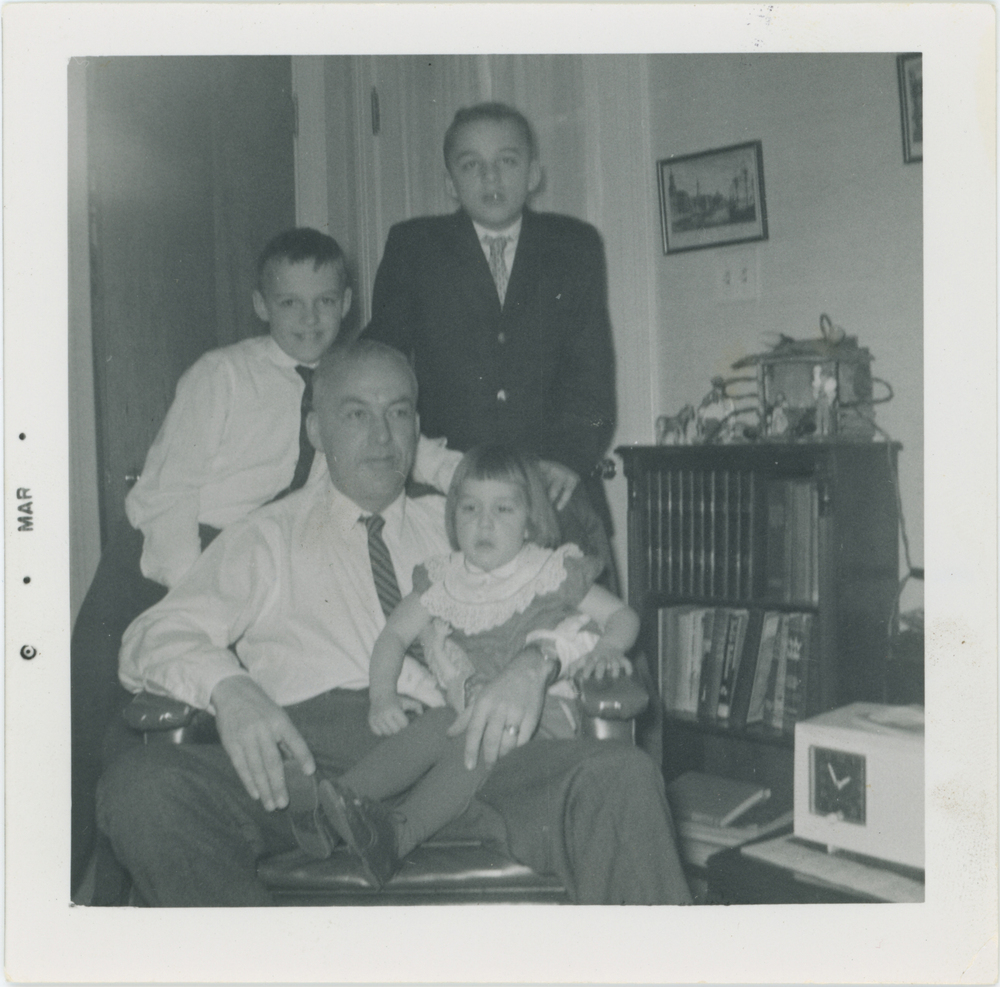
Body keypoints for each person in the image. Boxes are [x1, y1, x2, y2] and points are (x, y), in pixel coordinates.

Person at [96, 339, 691, 906]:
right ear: (315, 430)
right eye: (356, 414)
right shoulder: (265, 536)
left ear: (416, 424)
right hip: (313, 763)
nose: (382, 436)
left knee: (621, 776)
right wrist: (231, 688)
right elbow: (152, 636)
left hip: (474, 747)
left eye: (398, 412)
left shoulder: (468, 524)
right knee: (142, 786)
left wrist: (536, 665)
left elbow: (575, 613)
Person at [71, 229, 457, 895]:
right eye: (290, 303)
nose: (310, 320)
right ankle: (83, 900)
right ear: (260, 304)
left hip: (272, 550)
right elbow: (167, 491)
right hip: (162, 554)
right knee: (92, 740)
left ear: (346, 304)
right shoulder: (221, 375)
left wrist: (483, 476)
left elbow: (413, 451)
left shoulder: (350, 383)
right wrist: (224, 644)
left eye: (325, 303)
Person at [305, 444, 639, 889]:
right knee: (437, 723)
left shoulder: (549, 570)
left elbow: (623, 616)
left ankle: (398, 835)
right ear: (453, 516)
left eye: (503, 508)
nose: (484, 522)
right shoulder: (445, 578)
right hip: (469, 712)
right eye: (470, 508)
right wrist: (381, 695)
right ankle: (336, 805)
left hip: (540, 716)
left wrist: (608, 648)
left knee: (482, 734)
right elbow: (394, 636)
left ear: (529, 521)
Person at [363, 101, 617, 537]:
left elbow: (590, 373)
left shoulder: (574, 247)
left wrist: (569, 458)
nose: (491, 177)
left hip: (550, 479)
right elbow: (380, 363)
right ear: (450, 182)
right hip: (451, 486)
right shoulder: (415, 248)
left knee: (569, 597)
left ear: (533, 173)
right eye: (471, 164)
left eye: (507, 161)